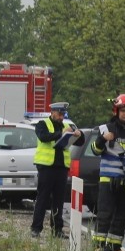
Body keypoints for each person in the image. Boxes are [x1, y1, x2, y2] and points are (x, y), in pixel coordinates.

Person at [90, 94, 125, 251]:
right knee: (105, 213)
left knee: (121, 215)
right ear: (116, 112)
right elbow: (95, 150)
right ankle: (99, 245)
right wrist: (102, 139)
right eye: (123, 111)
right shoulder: (105, 129)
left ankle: (114, 247)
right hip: (109, 180)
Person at [30, 102, 83, 238]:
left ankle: (57, 230)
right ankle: (36, 228)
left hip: (61, 168)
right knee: (43, 198)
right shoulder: (42, 124)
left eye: (63, 114)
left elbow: (80, 141)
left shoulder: (66, 126)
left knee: (59, 200)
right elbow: (44, 137)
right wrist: (60, 134)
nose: (61, 117)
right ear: (52, 112)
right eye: (59, 114)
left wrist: (78, 134)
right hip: (46, 167)